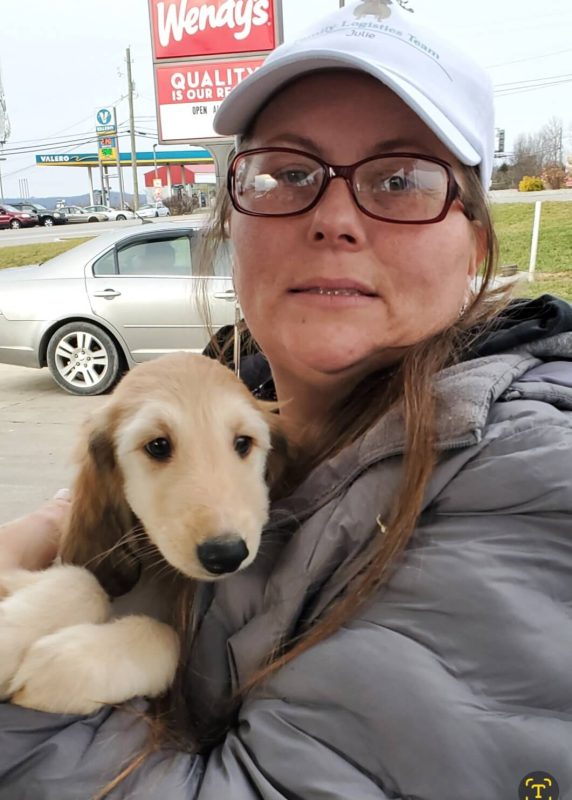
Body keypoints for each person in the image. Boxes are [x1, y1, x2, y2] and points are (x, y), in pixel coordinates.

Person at [1, 2, 572, 798]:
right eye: (287, 173)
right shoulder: (247, 400)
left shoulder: (535, 476)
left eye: (402, 179)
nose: (334, 217)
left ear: (475, 240)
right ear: (232, 223)